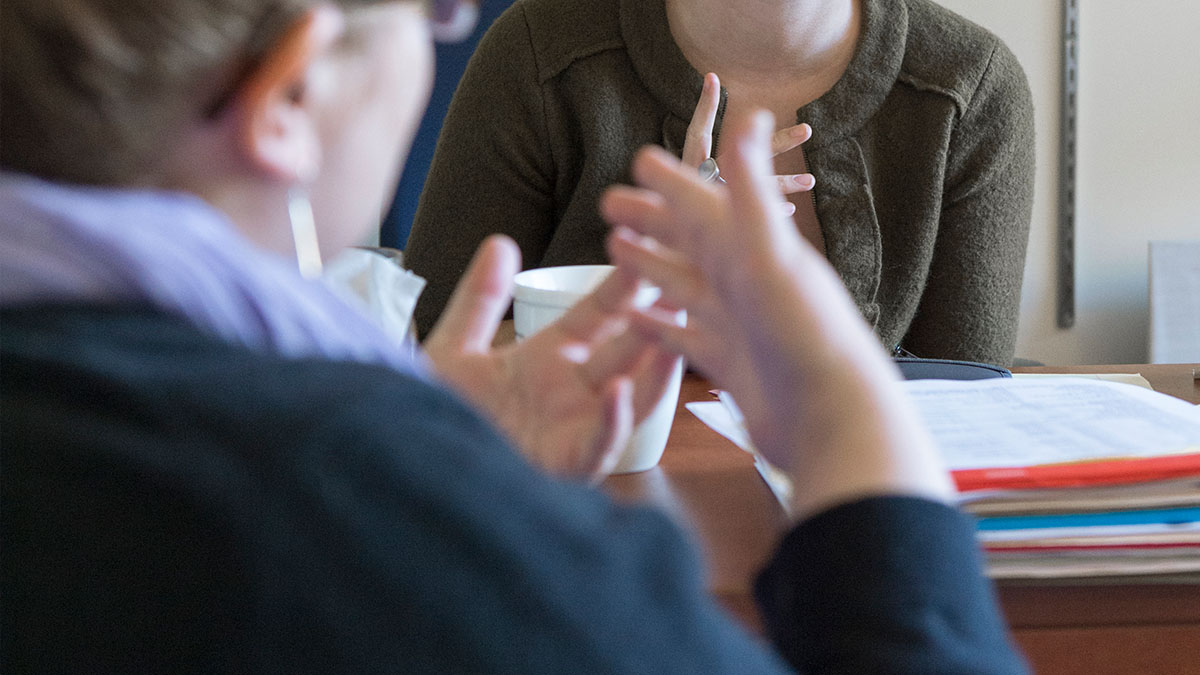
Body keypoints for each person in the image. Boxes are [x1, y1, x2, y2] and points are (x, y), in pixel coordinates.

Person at [1, 0, 1026, 672]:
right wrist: (849, 411)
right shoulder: (336, 501)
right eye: (430, 10)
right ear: (290, 93)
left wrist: (437, 453)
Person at [404, 0, 1035, 368]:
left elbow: (967, 398)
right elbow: (439, 350)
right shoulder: (536, 54)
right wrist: (649, 280)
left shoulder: (969, 88)